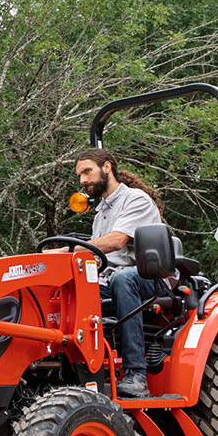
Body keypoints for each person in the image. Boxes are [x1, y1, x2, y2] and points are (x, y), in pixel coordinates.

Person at [75, 147, 166, 400]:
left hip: (150, 278)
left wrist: (66, 250)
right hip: (109, 278)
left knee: (123, 279)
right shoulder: (101, 212)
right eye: (80, 175)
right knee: (66, 290)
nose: (83, 180)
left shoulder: (135, 200)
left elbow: (116, 241)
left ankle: (136, 374)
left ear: (107, 167)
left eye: (87, 172)